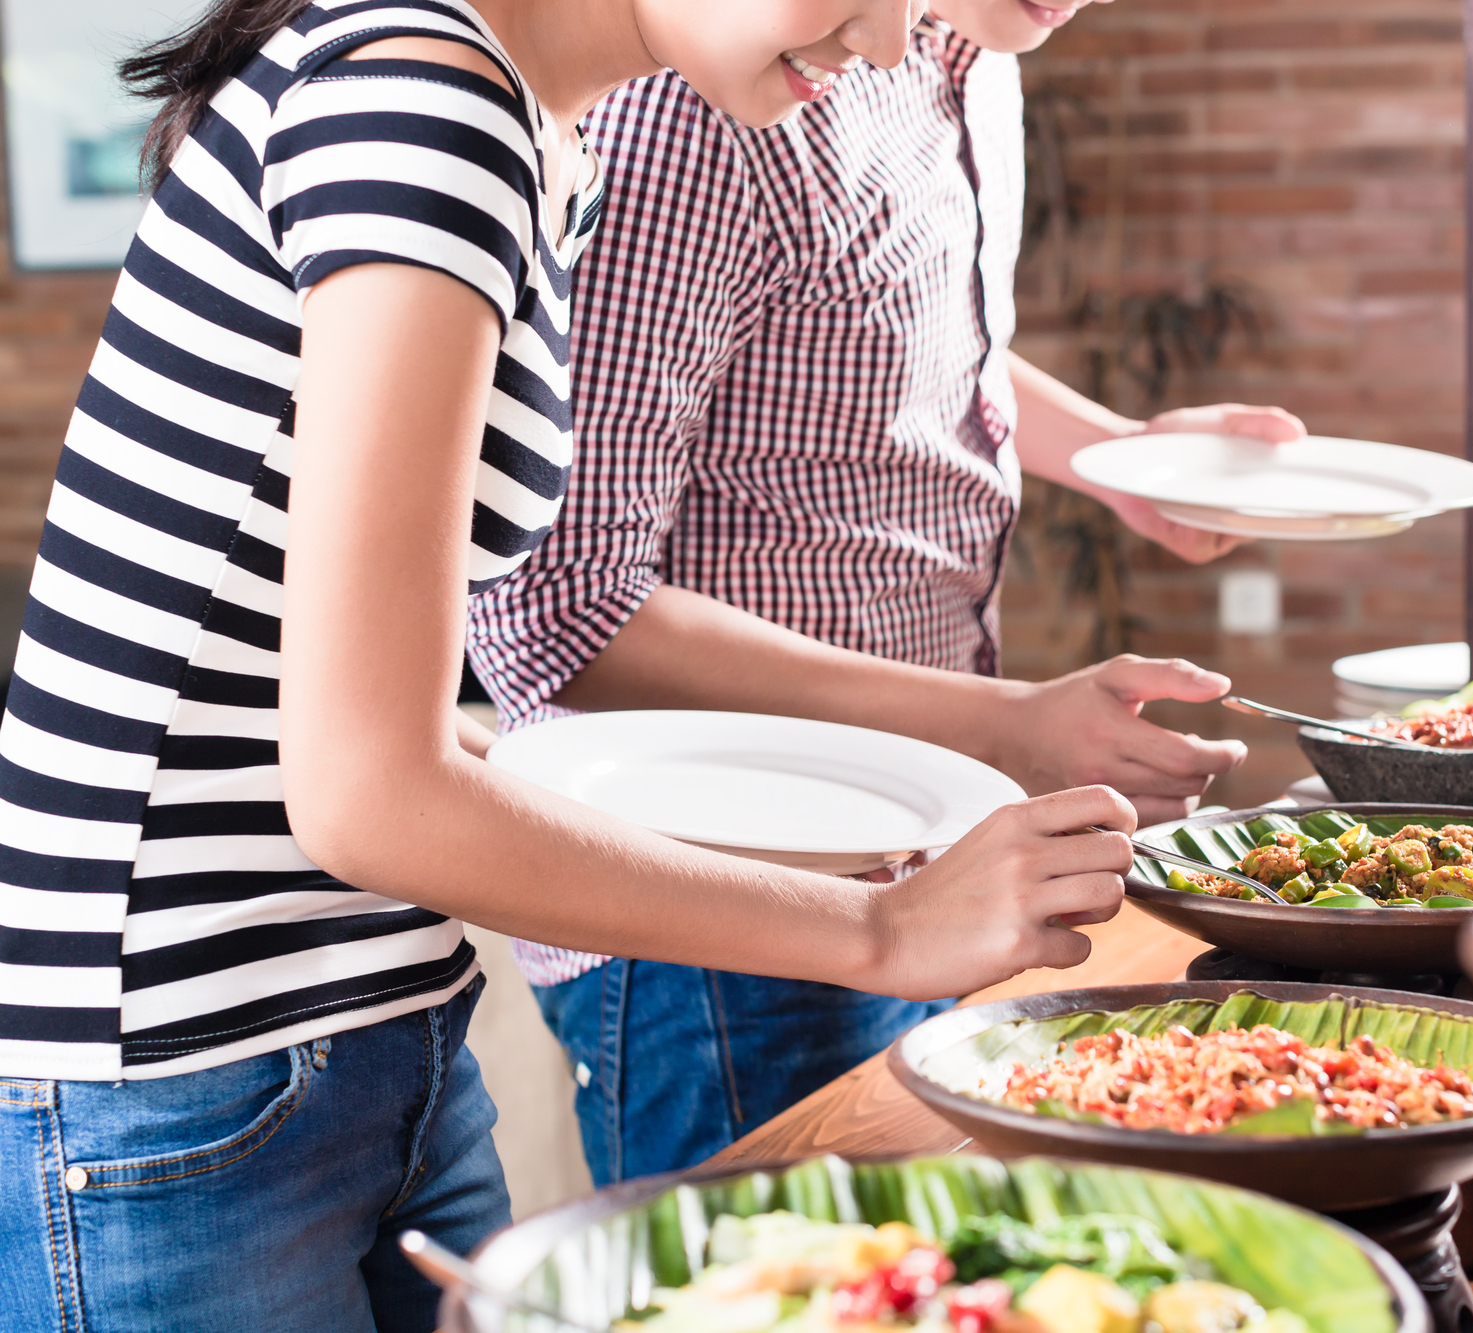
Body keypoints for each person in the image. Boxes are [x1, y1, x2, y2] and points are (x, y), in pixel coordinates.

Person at [0, 2, 1139, 1328]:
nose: (890, 42)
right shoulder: (422, 109)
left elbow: (301, 685)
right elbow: (364, 792)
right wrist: (885, 929)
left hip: (365, 1026)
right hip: (188, 1074)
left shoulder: (529, 123)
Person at [465, 0, 1304, 1184]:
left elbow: (869, 325)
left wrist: (1117, 457)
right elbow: (561, 615)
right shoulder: (704, 108)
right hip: (723, 910)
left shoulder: (973, 60)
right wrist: (1011, 723)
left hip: (921, 861)